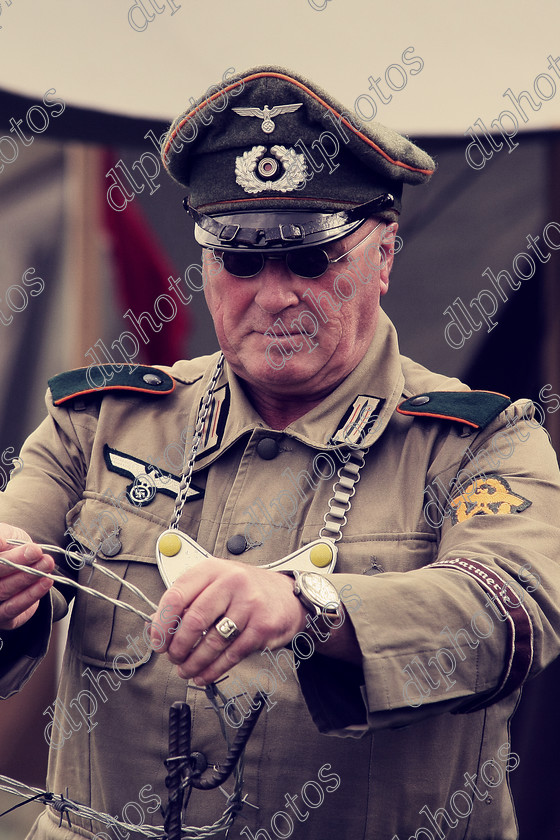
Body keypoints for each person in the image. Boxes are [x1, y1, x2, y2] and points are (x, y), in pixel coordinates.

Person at [1, 64, 559, 840]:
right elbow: (19, 553)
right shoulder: (99, 421)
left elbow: (511, 615)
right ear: (205, 264)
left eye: (310, 260)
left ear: (385, 254)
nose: (274, 295)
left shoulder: (483, 441)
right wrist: (9, 587)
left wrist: (310, 608)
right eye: (239, 261)